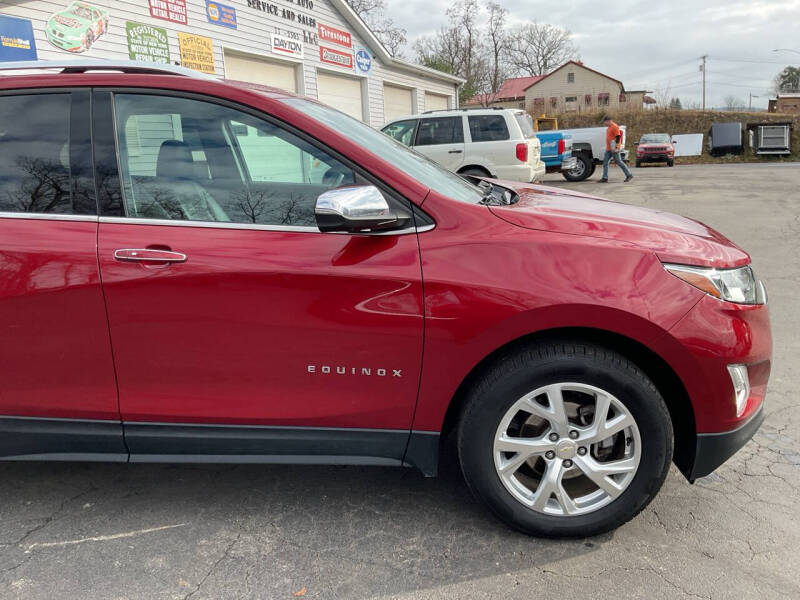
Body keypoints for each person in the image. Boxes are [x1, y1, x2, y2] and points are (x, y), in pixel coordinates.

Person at [599, 115, 633, 183]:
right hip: (609, 149)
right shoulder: (608, 128)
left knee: (619, 162)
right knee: (605, 163)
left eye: (605, 122)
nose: (604, 123)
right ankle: (605, 178)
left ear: (608, 121)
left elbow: (618, 137)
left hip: (614, 148)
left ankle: (629, 175)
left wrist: (617, 147)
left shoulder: (614, 126)